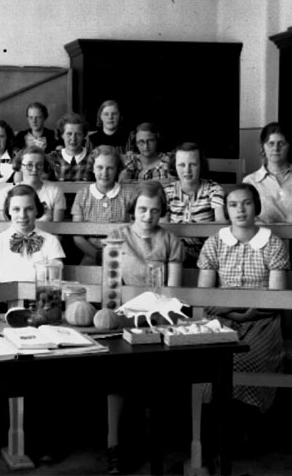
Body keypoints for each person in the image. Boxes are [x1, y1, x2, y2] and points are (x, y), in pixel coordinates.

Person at [197, 183, 290, 460]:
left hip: (261, 320)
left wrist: (248, 314)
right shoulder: (214, 243)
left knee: (248, 360)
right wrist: (234, 313)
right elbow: (204, 295)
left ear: (256, 207)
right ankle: (214, 437)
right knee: (211, 363)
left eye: (247, 203)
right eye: (233, 204)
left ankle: (243, 433)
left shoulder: (272, 243)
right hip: (220, 319)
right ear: (226, 210)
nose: (240, 209)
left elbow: (275, 298)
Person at [0, 184, 66, 463]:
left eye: (29, 208)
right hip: (7, 318)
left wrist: (39, 313)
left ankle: (42, 440)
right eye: (16, 209)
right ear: (8, 211)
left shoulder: (50, 242)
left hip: (43, 316)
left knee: (42, 373)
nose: (22, 215)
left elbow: (54, 286)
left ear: (37, 210)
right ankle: (3, 436)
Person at [104, 181, 184, 474]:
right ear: (133, 209)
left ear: (161, 211)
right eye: (142, 209)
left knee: (154, 378)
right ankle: (114, 445)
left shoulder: (170, 240)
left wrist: (158, 321)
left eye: (154, 210)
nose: (147, 216)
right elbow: (111, 288)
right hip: (124, 316)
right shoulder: (117, 236)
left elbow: (172, 294)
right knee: (118, 377)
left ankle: (153, 446)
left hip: (159, 318)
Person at [162, 142, 227, 265]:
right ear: (174, 166)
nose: (187, 170)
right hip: (174, 252)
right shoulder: (167, 192)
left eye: (193, 164)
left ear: (201, 165)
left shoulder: (213, 189)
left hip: (208, 252)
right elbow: (163, 227)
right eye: (182, 165)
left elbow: (221, 222)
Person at [71, 146, 130, 265]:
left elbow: (133, 232)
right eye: (99, 167)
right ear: (92, 168)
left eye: (110, 168)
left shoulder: (128, 195)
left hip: (122, 253)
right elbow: (77, 236)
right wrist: (97, 255)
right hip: (91, 254)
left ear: (117, 169)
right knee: (84, 273)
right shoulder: (82, 195)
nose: (104, 173)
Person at [0, 146, 66, 222]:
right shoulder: (5, 193)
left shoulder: (55, 191)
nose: (34, 169)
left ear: (44, 167)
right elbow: (3, 226)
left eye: (39, 165)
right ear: (20, 166)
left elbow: (57, 226)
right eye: (29, 165)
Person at [48, 112, 93, 182]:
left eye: (78, 134)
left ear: (84, 135)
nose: (73, 138)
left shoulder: (93, 158)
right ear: (62, 135)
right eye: (69, 134)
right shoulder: (52, 158)